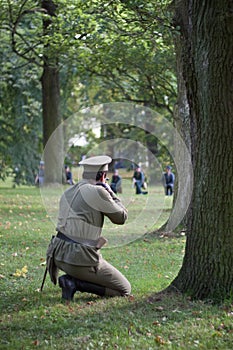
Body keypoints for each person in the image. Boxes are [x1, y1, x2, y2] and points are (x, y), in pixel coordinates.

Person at [46, 155, 131, 301]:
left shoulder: (69, 191)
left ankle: (73, 277)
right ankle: (74, 283)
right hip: (79, 259)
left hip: (57, 254)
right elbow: (121, 217)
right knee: (124, 289)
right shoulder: (98, 191)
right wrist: (109, 190)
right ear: (103, 176)